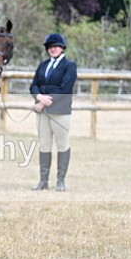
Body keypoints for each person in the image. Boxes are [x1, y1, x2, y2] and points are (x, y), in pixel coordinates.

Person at [29, 32, 78, 192]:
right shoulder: (43, 65)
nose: (53, 49)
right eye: (50, 47)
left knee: (62, 144)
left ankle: (60, 181)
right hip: (42, 112)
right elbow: (34, 85)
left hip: (60, 111)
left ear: (62, 48)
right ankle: (43, 181)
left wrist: (43, 101)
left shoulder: (69, 66)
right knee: (44, 144)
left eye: (56, 46)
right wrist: (38, 97)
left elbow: (64, 88)